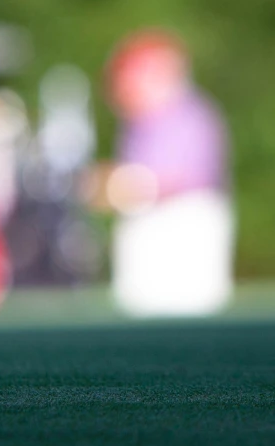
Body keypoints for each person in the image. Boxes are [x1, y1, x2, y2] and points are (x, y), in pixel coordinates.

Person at [94, 28, 234, 317]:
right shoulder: (138, 124)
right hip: (149, 241)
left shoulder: (190, 116)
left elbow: (183, 178)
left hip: (181, 236)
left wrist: (118, 186)